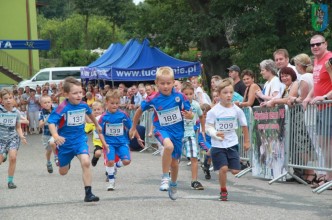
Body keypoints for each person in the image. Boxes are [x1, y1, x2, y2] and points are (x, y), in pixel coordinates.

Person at [129, 66, 193, 200]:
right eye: (162, 83)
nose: (165, 86)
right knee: (168, 147)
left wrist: (189, 115)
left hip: (177, 131)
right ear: (156, 83)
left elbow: (190, 113)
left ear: (173, 82)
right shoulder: (153, 98)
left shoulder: (180, 96)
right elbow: (139, 111)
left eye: (168, 83)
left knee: (175, 163)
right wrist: (133, 127)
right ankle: (165, 177)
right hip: (161, 129)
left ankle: (174, 184)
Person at [47, 77, 101, 202]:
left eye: (80, 92)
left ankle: (88, 194)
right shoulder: (62, 107)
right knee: (63, 172)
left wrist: (96, 125)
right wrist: (55, 136)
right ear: (66, 94)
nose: (79, 95)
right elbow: (51, 122)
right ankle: (61, 158)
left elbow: (89, 113)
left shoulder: (83, 104)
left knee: (86, 162)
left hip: (79, 139)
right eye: (75, 93)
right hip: (65, 143)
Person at [205, 78, 249, 201]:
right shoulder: (213, 111)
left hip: (232, 143)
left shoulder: (237, 110)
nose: (229, 95)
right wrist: (215, 133)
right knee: (223, 169)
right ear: (219, 95)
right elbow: (208, 127)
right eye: (225, 92)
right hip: (218, 145)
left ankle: (225, 163)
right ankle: (223, 190)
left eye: (231, 92)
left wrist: (247, 141)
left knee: (235, 171)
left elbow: (244, 125)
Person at [98, 90, 144, 191]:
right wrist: (104, 143)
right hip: (109, 143)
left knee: (127, 161)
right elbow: (100, 132)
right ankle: (111, 182)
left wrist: (138, 137)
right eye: (112, 103)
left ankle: (116, 165)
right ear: (107, 103)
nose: (115, 105)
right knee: (109, 161)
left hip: (122, 142)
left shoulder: (123, 115)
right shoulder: (103, 117)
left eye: (117, 103)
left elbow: (132, 127)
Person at [303, 34, 332, 186]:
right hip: (321, 108)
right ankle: (328, 177)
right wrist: (308, 96)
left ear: (325, 44)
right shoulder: (316, 61)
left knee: (328, 143)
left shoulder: (329, 59)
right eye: (312, 45)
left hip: (329, 106)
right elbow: (317, 84)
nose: (315, 47)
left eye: (318, 44)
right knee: (323, 143)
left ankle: (329, 178)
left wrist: (325, 97)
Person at [0, 89, 27, 189]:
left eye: (10, 98)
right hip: (1, 139)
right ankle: (4, 153)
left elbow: (18, 127)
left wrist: (22, 136)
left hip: (12, 138)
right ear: (1, 100)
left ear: (13, 99)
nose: (8, 100)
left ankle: (10, 181)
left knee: (13, 157)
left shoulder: (16, 112)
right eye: (5, 98)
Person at [181, 82, 205, 190]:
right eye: (186, 94)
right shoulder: (178, 104)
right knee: (175, 158)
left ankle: (194, 181)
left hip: (190, 133)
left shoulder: (195, 105)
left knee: (194, 157)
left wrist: (203, 130)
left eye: (191, 93)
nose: (189, 96)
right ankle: (169, 176)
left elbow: (201, 116)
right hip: (178, 133)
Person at [39, 95, 58, 173]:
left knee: (53, 143)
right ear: (41, 104)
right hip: (46, 134)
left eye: (48, 102)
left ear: (51, 102)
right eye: (45, 103)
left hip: (55, 133)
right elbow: (40, 125)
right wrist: (45, 120)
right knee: (49, 150)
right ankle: (48, 162)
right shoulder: (41, 113)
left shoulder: (56, 110)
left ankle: (56, 157)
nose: (47, 104)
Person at [85, 100, 104, 167]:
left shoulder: (106, 118)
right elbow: (86, 130)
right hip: (98, 142)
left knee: (109, 157)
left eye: (98, 109)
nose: (96, 111)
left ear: (102, 110)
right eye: (94, 110)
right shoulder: (92, 121)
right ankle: (95, 158)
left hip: (108, 141)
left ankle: (109, 170)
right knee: (98, 153)